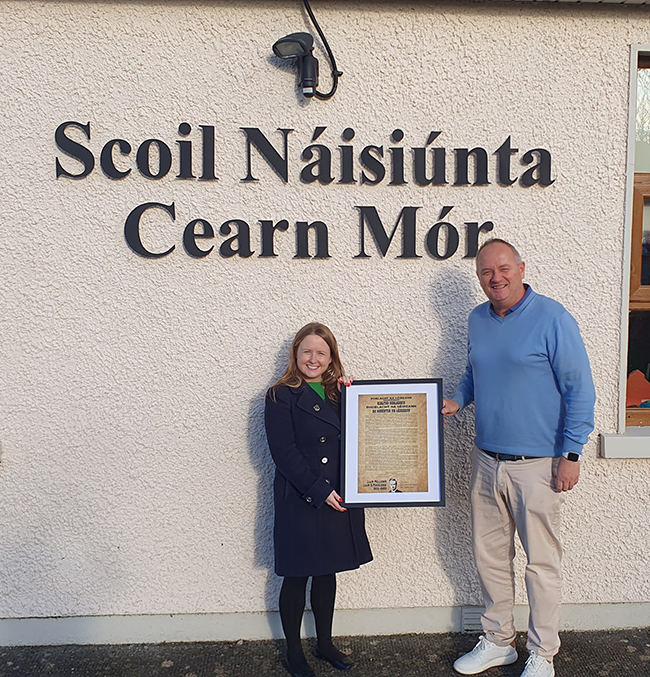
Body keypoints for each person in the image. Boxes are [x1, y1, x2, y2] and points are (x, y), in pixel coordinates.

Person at [442, 239, 595, 677]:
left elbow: (579, 389)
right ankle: (498, 641)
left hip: (538, 465)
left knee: (541, 561)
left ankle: (542, 652)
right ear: (479, 277)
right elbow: (476, 370)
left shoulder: (552, 317)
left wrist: (571, 453)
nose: (496, 278)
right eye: (487, 272)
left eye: (504, 268)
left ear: (521, 268)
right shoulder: (477, 319)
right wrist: (458, 399)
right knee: (489, 557)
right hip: (486, 460)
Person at [265, 323, 373, 677]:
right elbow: (284, 453)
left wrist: (359, 399)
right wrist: (319, 490)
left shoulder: (341, 394)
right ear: (295, 354)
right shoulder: (279, 395)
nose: (313, 358)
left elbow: (364, 437)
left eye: (321, 353)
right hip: (304, 497)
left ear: (331, 359)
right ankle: (294, 653)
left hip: (338, 494)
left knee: (327, 571)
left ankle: (324, 643)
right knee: (297, 575)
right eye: (307, 351)